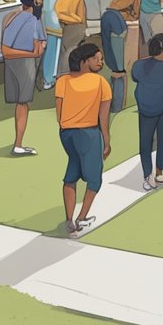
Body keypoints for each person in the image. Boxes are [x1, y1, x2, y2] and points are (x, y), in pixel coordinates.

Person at [56, 43, 113, 237]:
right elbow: (103, 117)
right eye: (96, 59)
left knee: (72, 173)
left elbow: (59, 113)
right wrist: (106, 139)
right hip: (88, 133)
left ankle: (69, 219)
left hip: (66, 134)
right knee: (94, 178)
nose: (100, 62)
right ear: (84, 61)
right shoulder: (100, 83)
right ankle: (81, 218)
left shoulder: (62, 81)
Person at [131, 34, 163, 189]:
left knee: (145, 143)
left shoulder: (138, 65)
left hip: (146, 107)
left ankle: (149, 175)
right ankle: (158, 172)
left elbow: (135, 78)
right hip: (162, 107)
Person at [3, 0, 47, 156]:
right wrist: (33, 53)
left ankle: (18, 143)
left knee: (20, 104)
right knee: (23, 104)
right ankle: (18, 144)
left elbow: (6, 50)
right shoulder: (34, 21)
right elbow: (39, 48)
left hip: (11, 64)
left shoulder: (10, 17)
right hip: (25, 64)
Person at [100, 0, 133, 112]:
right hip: (116, 63)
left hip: (109, 58)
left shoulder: (107, 15)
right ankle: (117, 108)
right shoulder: (115, 19)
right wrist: (120, 67)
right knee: (118, 79)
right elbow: (117, 42)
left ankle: (114, 107)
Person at [54, 0, 89, 78]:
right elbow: (81, 16)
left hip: (64, 24)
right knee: (71, 51)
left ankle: (61, 74)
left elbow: (58, 9)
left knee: (64, 51)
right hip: (76, 26)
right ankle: (66, 74)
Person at [43, 0, 71, 90]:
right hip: (57, 22)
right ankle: (51, 77)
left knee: (53, 50)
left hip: (50, 21)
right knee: (56, 50)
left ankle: (50, 77)